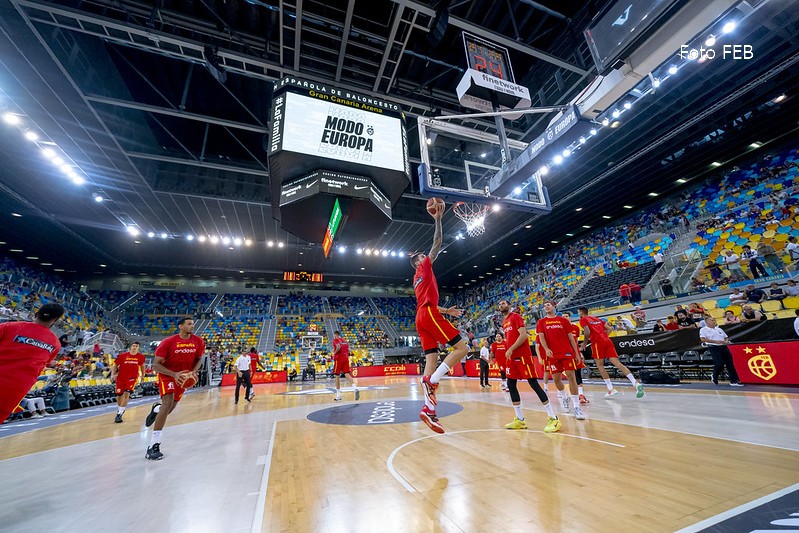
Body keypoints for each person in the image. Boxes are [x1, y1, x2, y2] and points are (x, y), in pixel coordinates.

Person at [412, 201, 470, 434]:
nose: (427, 257)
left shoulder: (416, 278)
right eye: (423, 256)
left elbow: (427, 301)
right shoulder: (424, 266)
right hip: (428, 313)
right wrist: (438, 218)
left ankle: (428, 410)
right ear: (419, 262)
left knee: (431, 359)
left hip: (422, 316)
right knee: (462, 349)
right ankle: (432, 381)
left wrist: (446, 311)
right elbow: (437, 242)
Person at [144, 317, 205, 461]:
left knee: (169, 409)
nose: (192, 326)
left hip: (183, 378)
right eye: (189, 324)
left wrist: (193, 372)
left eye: (193, 324)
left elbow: (199, 360)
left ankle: (156, 410)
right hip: (168, 375)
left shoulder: (198, 341)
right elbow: (156, 365)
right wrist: (174, 374)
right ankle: (153, 446)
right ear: (180, 326)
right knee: (167, 403)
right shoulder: (169, 342)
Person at [499, 300, 561, 432]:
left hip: (522, 357)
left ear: (509, 306)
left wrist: (511, 348)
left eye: (504, 303)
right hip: (511, 358)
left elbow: (523, 336)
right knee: (511, 385)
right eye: (500, 304)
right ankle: (520, 419)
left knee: (533, 383)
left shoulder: (515, 317)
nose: (501, 305)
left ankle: (553, 418)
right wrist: (509, 350)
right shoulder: (504, 322)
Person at [0, 303, 64, 423]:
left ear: (36, 314)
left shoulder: (9, 327)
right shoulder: (55, 344)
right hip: (15, 390)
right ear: (55, 320)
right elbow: (46, 362)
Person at [578, 307, 645, 399]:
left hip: (597, 343)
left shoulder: (583, 320)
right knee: (617, 363)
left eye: (578, 312)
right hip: (607, 341)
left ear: (581, 312)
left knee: (600, 365)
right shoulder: (597, 319)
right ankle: (635, 383)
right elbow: (610, 329)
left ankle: (610, 388)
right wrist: (604, 337)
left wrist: (584, 344)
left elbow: (587, 332)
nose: (578, 314)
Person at [536, 302, 585, 420]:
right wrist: (546, 349)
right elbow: (541, 337)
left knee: (571, 376)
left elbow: (571, 338)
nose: (546, 306)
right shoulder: (541, 322)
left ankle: (577, 407)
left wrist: (576, 353)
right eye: (545, 305)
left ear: (554, 307)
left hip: (567, 352)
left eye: (548, 305)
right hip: (553, 354)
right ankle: (564, 397)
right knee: (557, 379)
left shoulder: (563, 321)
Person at [699, 316, 743, 387]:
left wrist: (726, 341)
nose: (714, 321)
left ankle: (734, 381)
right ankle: (714, 375)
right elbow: (703, 339)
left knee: (730, 364)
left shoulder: (719, 329)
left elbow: (726, 337)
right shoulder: (703, 330)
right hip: (713, 347)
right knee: (719, 363)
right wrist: (715, 341)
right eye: (712, 320)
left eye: (714, 320)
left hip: (723, 347)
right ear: (707, 322)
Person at [110, 341, 145, 423]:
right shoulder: (122, 356)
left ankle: (119, 414)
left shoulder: (140, 357)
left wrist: (143, 376)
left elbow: (142, 366)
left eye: (136, 346)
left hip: (132, 378)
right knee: (119, 395)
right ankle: (120, 410)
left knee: (126, 394)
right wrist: (112, 375)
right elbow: (115, 365)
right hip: (121, 378)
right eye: (133, 346)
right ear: (130, 347)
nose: (135, 347)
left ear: (138, 348)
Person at [332, 331, 359, 401]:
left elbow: (338, 347)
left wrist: (334, 353)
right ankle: (355, 388)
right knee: (347, 374)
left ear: (335, 335)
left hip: (339, 359)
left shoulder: (335, 340)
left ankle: (338, 395)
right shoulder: (345, 341)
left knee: (337, 375)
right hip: (345, 358)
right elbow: (349, 350)